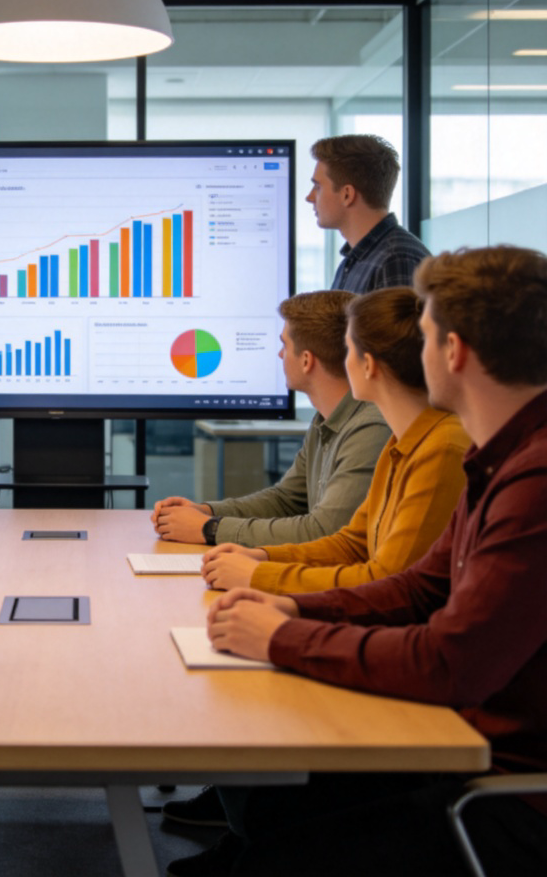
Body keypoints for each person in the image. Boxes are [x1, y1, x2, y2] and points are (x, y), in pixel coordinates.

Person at [201, 245, 547, 876]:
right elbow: (416, 587)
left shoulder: (532, 483)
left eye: (423, 334)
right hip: (464, 745)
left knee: (273, 853)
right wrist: (291, 603)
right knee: (273, 812)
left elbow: (448, 660)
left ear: (454, 351)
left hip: (509, 791)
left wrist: (285, 638)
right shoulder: (498, 460)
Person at [200, 286, 469, 595]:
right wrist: (260, 556)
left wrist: (258, 575)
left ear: (367, 365)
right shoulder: (402, 439)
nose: (342, 360)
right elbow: (352, 543)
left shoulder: (440, 448)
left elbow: (388, 582)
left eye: (349, 349)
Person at [153, 291, 389, 548]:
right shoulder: (326, 419)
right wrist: (206, 511)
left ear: (307, 360)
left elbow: (325, 531)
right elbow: (286, 500)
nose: (279, 355)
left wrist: (209, 529)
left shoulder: (371, 427)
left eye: (284, 345)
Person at [308, 134, 429, 294]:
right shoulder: (355, 261)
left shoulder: (396, 260)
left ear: (347, 195)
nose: (309, 197)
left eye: (317, 187)